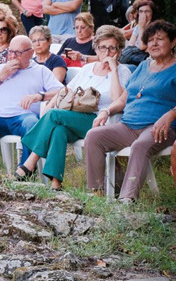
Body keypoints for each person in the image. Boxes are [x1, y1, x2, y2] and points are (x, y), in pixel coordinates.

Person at [19, 26, 130, 189]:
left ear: (119, 50)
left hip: (103, 122)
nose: (107, 52)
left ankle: (29, 163)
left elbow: (116, 98)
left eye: (112, 48)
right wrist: (49, 105)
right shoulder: (87, 69)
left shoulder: (123, 71)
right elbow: (66, 90)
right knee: (58, 130)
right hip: (78, 118)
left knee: (54, 115)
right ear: (96, 48)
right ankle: (56, 184)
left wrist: (113, 69)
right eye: (102, 47)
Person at [84, 20, 176, 203]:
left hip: (159, 128)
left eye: (160, 39)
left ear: (173, 42)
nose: (154, 44)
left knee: (140, 146)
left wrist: (171, 113)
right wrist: (106, 111)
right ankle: (96, 192)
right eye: (150, 40)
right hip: (128, 126)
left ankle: (127, 199)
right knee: (93, 136)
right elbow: (124, 98)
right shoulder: (143, 66)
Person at [0, 35, 64, 169]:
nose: (12, 56)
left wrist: (40, 96)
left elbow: (62, 92)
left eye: (18, 53)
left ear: (30, 53)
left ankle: (24, 172)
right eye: (10, 52)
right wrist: (2, 75)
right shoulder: (1, 69)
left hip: (24, 116)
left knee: (33, 125)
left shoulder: (40, 71)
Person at [122, 0, 157, 69]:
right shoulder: (138, 26)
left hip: (145, 60)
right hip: (133, 57)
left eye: (147, 11)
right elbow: (130, 45)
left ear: (152, 13)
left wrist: (142, 28)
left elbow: (142, 46)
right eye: (141, 11)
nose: (144, 14)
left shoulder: (155, 28)